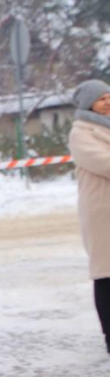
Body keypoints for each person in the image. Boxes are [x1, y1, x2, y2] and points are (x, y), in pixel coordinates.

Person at [68, 79, 110, 354]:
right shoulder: (81, 132)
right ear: (88, 103)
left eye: (109, 96)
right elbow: (101, 162)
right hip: (102, 211)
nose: (107, 102)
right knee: (106, 273)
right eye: (101, 98)